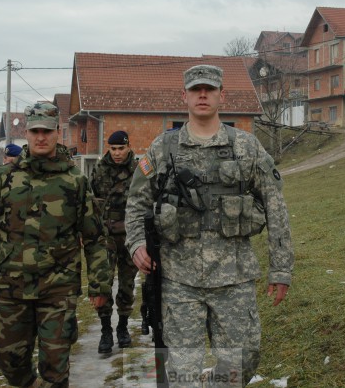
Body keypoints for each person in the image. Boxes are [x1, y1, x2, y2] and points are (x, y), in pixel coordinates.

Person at [125, 65, 294, 387]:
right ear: (184, 97)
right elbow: (136, 203)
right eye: (195, 90)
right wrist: (136, 243)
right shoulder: (163, 148)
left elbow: (276, 207)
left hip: (235, 278)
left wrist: (281, 269)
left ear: (221, 96)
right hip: (178, 279)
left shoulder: (247, 146)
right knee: (181, 372)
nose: (202, 95)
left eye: (209, 89)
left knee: (241, 363)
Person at [0, 102, 112, 388]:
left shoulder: (74, 181)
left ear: (57, 134)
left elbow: (94, 238)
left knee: (55, 364)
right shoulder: (5, 178)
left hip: (58, 287)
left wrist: (100, 285)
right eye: (35, 131)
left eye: (48, 131)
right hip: (11, 285)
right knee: (10, 360)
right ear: (26, 133)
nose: (41, 137)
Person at [90, 130, 139, 353]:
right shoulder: (100, 170)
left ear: (128, 147)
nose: (117, 153)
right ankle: (105, 331)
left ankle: (122, 327)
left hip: (131, 236)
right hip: (106, 236)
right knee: (104, 283)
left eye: (121, 148)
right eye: (113, 149)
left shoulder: (138, 171)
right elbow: (91, 202)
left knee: (127, 284)